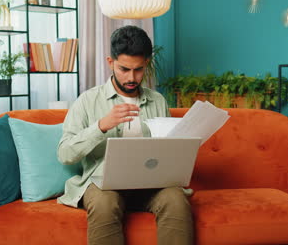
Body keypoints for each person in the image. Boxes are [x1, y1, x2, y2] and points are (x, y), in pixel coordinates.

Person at [57, 25, 193, 245]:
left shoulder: (157, 100)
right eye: (124, 69)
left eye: (138, 70)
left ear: (146, 64)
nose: (132, 77)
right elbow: (65, 153)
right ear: (110, 62)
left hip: (151, 184)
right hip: (103, 185)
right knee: (104, 203)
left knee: (176, 199)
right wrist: (100, 126)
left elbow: (167, 150)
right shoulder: (87, 101)